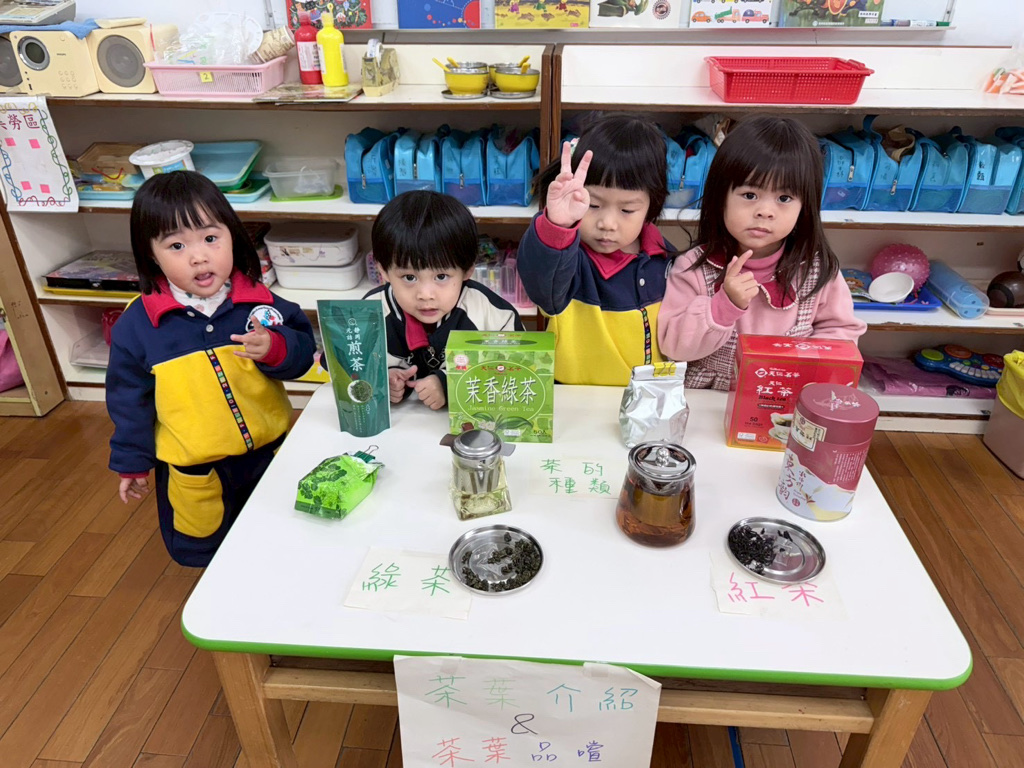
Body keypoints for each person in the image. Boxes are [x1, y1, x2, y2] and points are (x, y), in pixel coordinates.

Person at [106, 171, 315, 567]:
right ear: (152, 255)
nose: (198, 256)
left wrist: (275, 347)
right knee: (203, 544)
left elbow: (303, 352)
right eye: (176, 245)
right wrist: (131, 461)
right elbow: (128, 400)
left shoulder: (258, 302)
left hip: (269, 452)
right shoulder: (139, 325)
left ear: (232, 235)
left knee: (280, 528)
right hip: (195, 467)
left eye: (210, 238)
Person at [658, 116, 866, 390]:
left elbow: (841, 335)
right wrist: (723, 306)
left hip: (785, 393)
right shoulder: (693, 267)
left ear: (805, 206)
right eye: (750, 195)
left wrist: (808, 373)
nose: (765, 211)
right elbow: (673, 347)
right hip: (710, 396)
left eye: (784, 198)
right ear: (720, 197)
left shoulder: (817, 271)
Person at [517, 113, 674, 386]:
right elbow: (542, 289)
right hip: (575, 399)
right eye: (593, 205)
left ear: (653, 205)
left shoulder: (668, 261)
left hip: (646, 401)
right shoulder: (568, 260)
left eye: (627, 210)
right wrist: (557, 226)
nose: (607, 224)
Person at [364, 190, 524, 410]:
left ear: (467, 270)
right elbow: (344, 364)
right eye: (409, 277)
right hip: (403, 423)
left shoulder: (492, 313)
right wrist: (383, 380)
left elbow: (520, 365)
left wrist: (449, 384)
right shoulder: (368, 313)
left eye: (441, 277)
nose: (425, 294)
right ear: (383, 271)